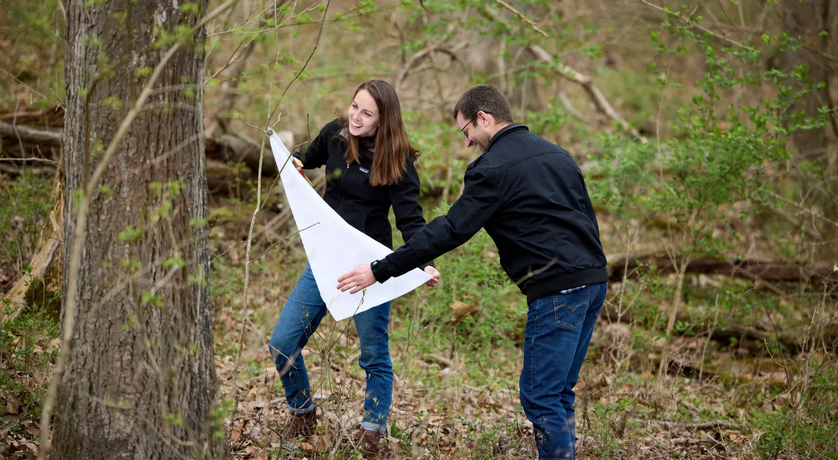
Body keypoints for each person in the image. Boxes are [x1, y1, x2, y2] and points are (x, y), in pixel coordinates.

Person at [337, 84, 608, 460]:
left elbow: (451, 229)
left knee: (541, 396)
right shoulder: (557, 154)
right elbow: (586, 218)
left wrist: (381, 270)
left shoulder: (493, 168)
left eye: (467, 132)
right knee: (560, 392)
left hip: (557, 290)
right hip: (594, 281)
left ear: (484, 118)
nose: (467, 143)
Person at [268, 80, 440, 458]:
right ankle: (303, 412)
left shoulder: (397, 158)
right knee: (282, 343)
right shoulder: (334, 134)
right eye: (354, 106)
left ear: (383, 121)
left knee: (374, 355)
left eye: (367, 113)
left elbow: (410, 219)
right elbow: (310, 157)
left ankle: (371, 431)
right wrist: (296, 162)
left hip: (370, 268)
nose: (356, 117)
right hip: (324, 258)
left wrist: (424, 262)